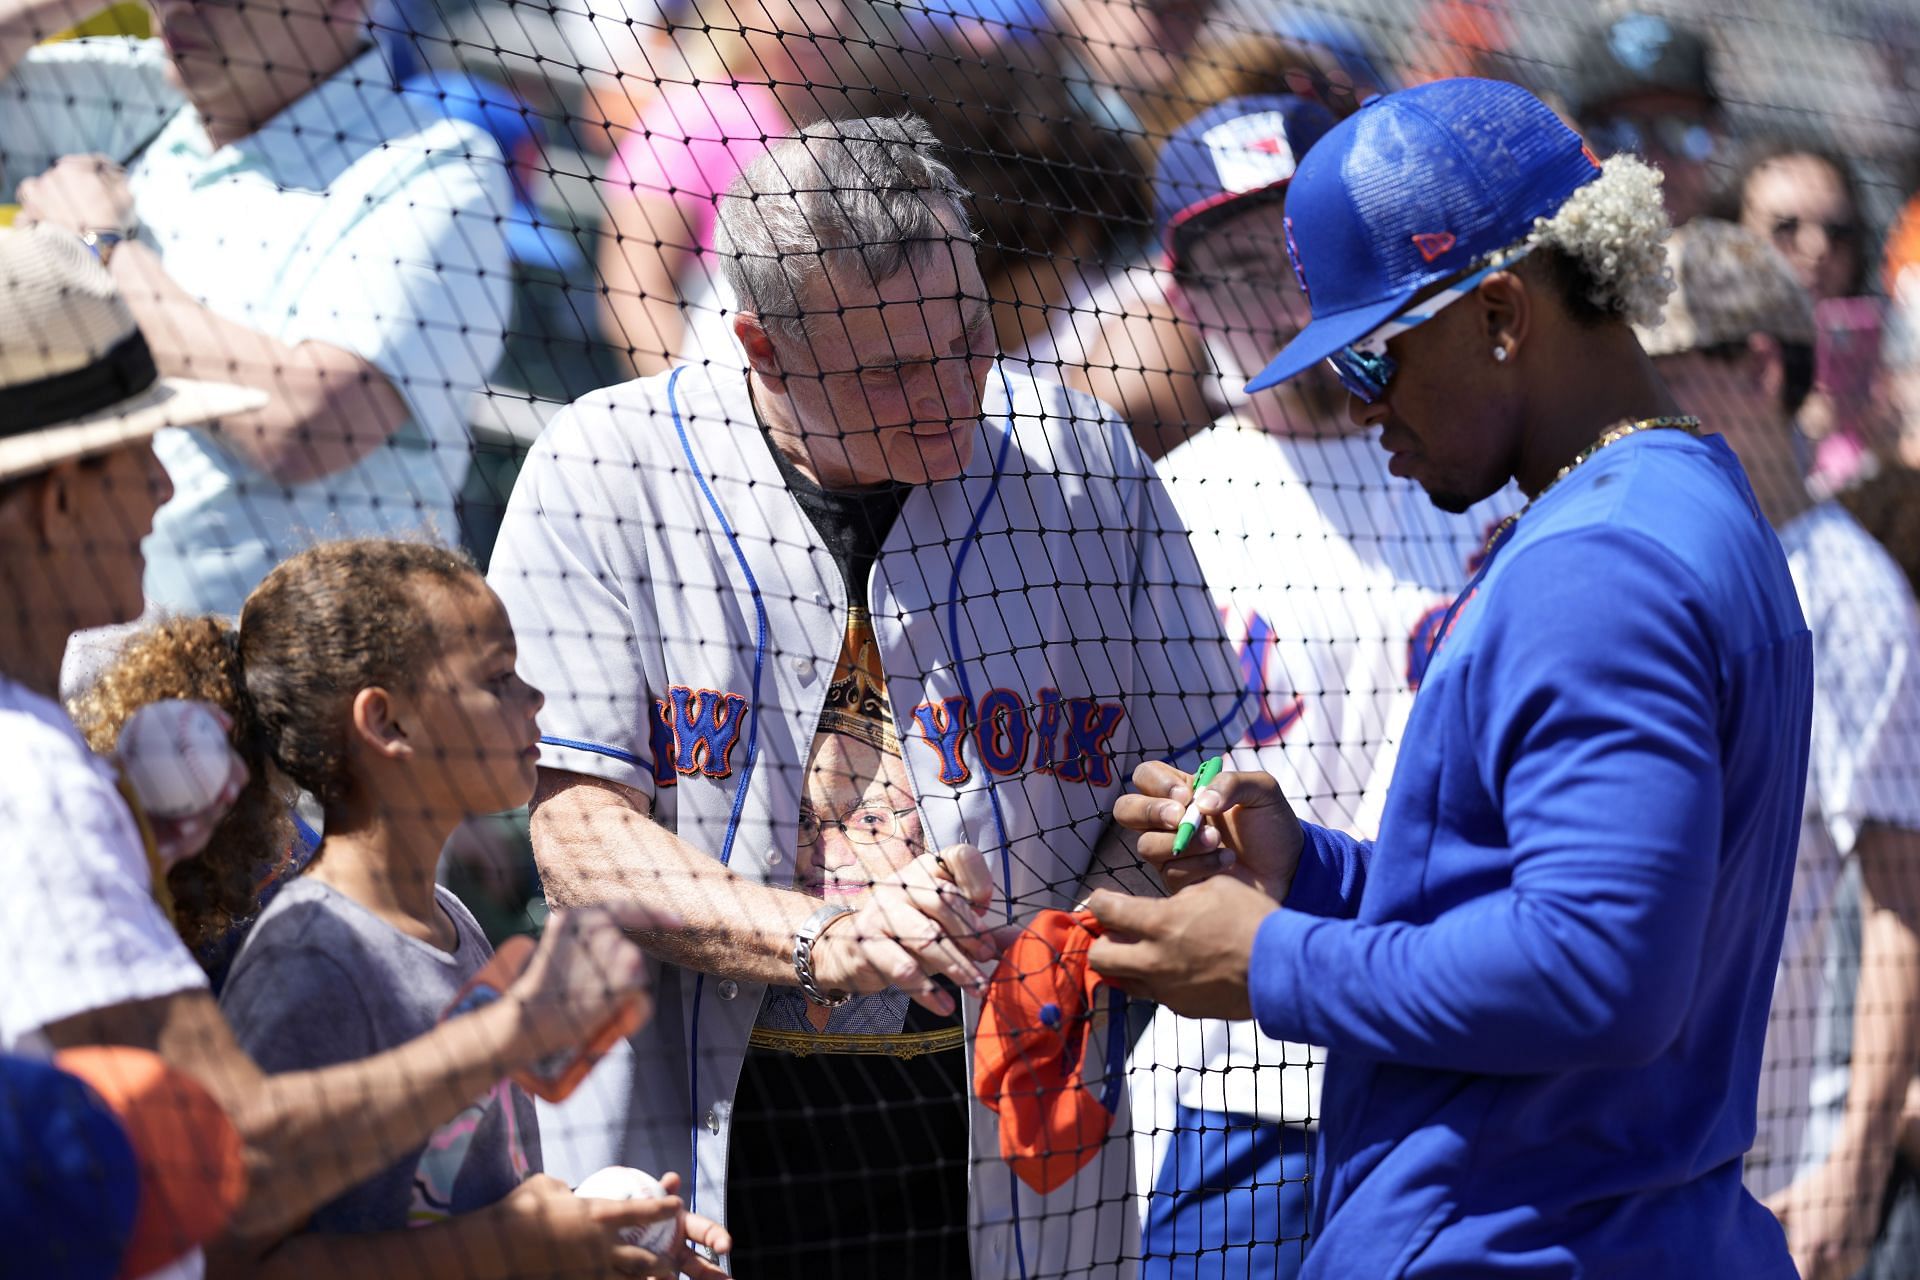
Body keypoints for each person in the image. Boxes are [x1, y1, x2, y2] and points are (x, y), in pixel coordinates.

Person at [486, 114, 1249, 1278]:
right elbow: (577, 831)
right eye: (896, 367)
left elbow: (1190, 772)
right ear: (763, 345)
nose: (952, 387)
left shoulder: (1082, 459)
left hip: (1001, 1116)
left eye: (968, 337)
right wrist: (819, 934)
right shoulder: (603, 467)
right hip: (710, 1132)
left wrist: (1101, 911)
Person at [1086, 77, 1812, 1277]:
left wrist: (1270, 961)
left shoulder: (1599, 570)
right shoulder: (1688, 498)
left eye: (1374, 358)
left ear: (1500, 317)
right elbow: (1580, 898)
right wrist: (1313, 871)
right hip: (1624, 1216)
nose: (1359, 405)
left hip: (1524, 1236)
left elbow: (1596, 967)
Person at [0, 224, 664, 1267]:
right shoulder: (28, 779)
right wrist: (516, 1033)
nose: (164, 490)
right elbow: (237, 1158)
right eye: (137, 452)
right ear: (58, 495)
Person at [69, 538, 730, 1277]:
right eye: (499, 678)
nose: (535, 699)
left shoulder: (451, 920)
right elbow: (237, 1260)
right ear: (386, 724)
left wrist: (583, 1232)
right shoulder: (309, 959)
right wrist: (503, 1249)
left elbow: (461, 1199)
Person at [1131, 93, 1515, 1279]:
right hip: (1237, 1074)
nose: (1276, 293)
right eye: (1235, 265)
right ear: (1184, 296)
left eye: (1297, 251)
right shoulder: (1160, 508)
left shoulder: (1475, 478)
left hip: (1452, 1055)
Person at [0, 0, 513, 617]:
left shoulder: (441, 168)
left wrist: (100, 252)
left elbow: (308, 424)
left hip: (298, 693)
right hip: (79, 664)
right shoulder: (153, 90)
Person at [1638, 218, 1920, 1280]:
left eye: (1659, 367)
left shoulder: (1847, 591)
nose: (1630, 397)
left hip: (1765, 1172)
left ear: (1755, 365)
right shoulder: (1641, 543)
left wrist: (1855, 1156)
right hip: (1611, 1145)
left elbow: (1901, 900)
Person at [1723, 139, 1882, 492]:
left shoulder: (1887, 372)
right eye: (1785, 227)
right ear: (1731, 236)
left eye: (1838, 233)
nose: (1816, 249)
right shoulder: (1697, 368)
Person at [1566, 10, 1723, 227]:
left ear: (1716, 131)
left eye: (1681, 129)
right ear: (1579, 136)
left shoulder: (1750, 253)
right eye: (1618, 134)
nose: (1654, 163)